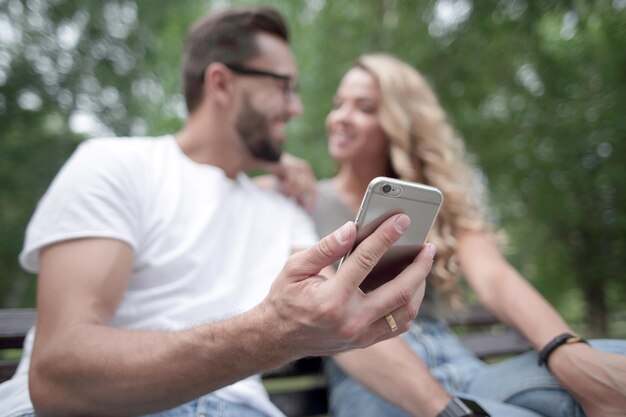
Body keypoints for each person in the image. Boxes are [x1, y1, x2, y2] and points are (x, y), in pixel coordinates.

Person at [0, 11, 436, 417]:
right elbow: (56, 375)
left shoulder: (282, 210)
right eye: (283, 86)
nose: (297, 108)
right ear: (222, 83)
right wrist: (270, 332)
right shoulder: (115, 165)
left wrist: (448, 409)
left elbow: (334, 316)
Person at [277, 53, 626, 417]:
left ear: (400, 123)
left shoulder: (431, 200)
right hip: (376, 380)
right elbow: (338, 318)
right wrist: (276, 163)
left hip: (460, 367)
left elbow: (493, 277)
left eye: (363, 107)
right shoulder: (299, 203)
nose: (340, 118)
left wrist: (567, 351)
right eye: (338, 105)